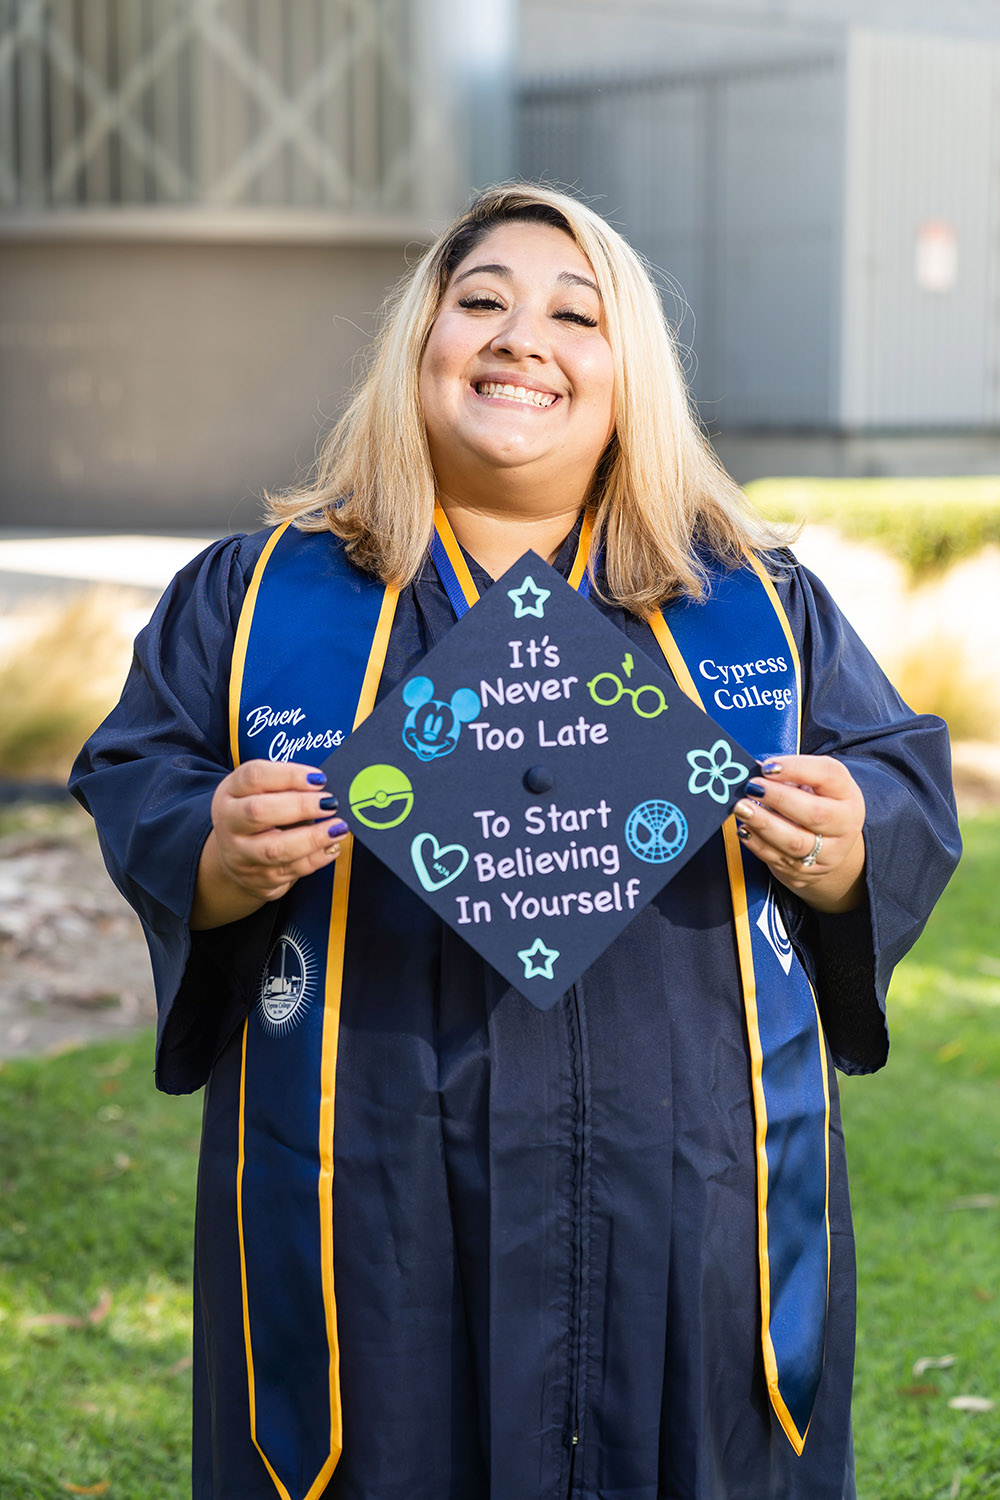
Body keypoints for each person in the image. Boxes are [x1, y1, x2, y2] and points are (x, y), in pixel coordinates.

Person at [71, 183, 960, 1500]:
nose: (519, 337)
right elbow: (140, 772)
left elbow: (900, 781)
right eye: (478, 301)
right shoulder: (258, 595)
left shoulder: (757, 604)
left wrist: (851, 836)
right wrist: (210, 847)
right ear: (417, 345)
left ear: (629, 372)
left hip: (687, 1193)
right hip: (369, 1183)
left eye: (574, 314)